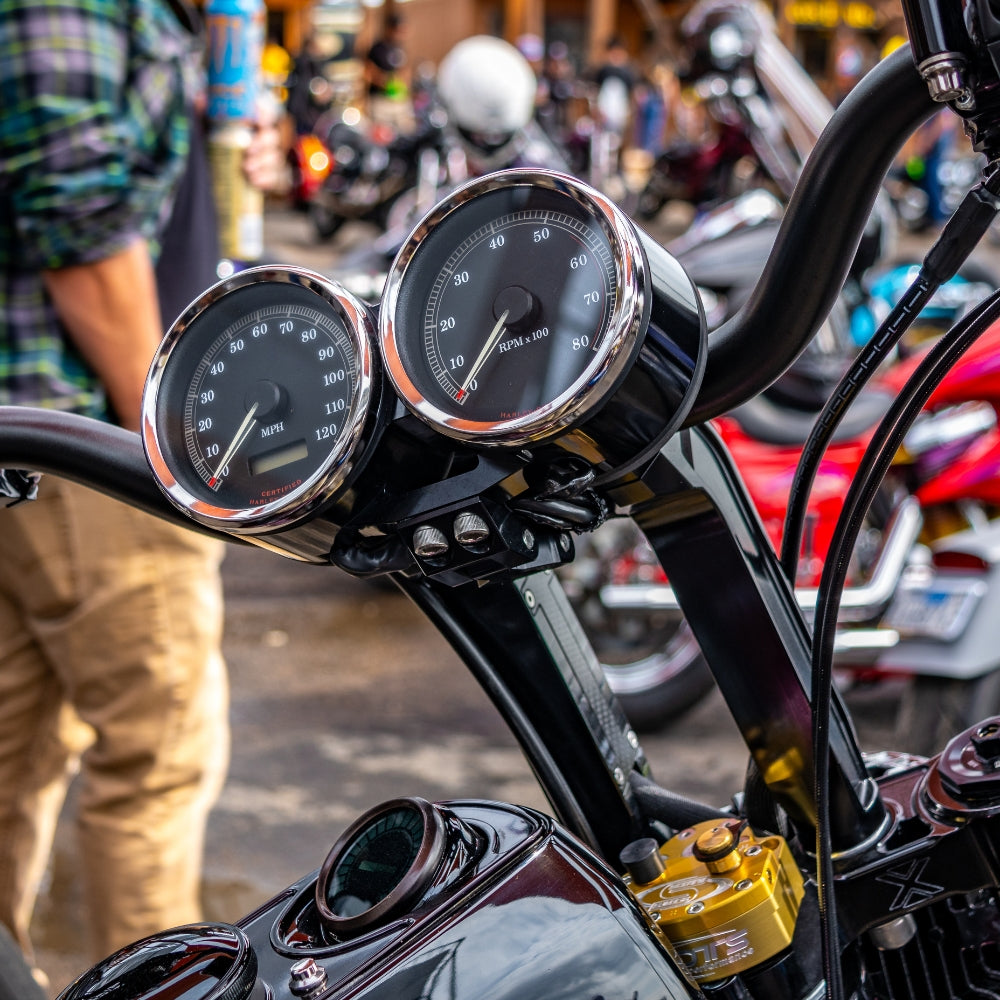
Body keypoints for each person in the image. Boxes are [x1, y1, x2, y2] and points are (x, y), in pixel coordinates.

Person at [0, 0, 285, 982]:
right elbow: (75, 215)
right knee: (153, 765)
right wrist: (165, 444)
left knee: (15, 762)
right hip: (84, 438)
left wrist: (214, 157)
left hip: (50, 437)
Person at [363, 12, 412, 130]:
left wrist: (403, 83)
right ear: (390, 29)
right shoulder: (377, 49)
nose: (401, 34)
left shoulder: (399, 48)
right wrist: (385, 81)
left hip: (398, 101)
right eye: (398, 30)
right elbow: (368, 72)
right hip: (380, 101)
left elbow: (404, 70)